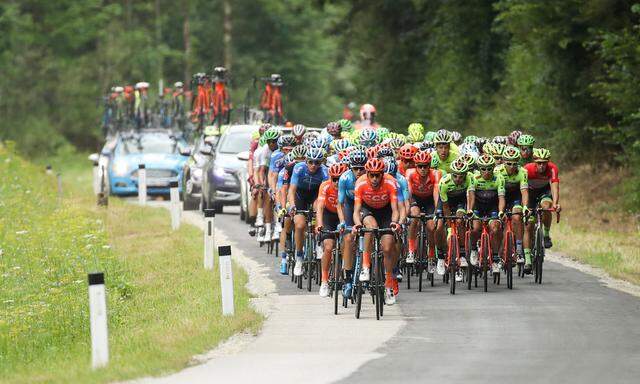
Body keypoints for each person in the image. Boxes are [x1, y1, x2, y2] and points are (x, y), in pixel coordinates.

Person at [352, 158, 401, 305]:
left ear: (382, 174)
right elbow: (356, 211)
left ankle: (388, 284)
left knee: (387, 247)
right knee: (371, 227)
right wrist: (358, 224)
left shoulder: (390, 182)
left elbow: (395, 210)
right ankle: (365, 266)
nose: (374, 178)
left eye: (377, 175)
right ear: (367, 173)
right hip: (368, 210)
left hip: (386, 212)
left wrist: (394, 223)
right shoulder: (360, 183)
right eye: (371, 175)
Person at [288, 147, 329, 276]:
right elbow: (292, 190)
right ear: (306, 161)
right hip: (300, 195)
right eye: (311, 162)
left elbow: (324, 193)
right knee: (300, 225)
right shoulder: (299, 168)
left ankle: (318, 242)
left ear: (321, 162)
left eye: (317, 162)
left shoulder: (324, 171)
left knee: (318, 210)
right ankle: (299, 257)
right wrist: (292, 205)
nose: (313, 165)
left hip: (315, 195)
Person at [523, 148, 561, 272]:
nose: (541, 165)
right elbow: (522, 188)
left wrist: (555, 204)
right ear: (534, 161)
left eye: (544, 162)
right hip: (530, 193)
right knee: (529, 225)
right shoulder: (527, 169)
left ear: (548, 162)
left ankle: (545, 234)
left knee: (546, 207)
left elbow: (554, 187)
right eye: (539, 162)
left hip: (544, 192)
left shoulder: (552, 168)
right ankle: (528, 260)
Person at [467, 154, 506, 273]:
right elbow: (471, 197)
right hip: (478, 206)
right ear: (479, 168)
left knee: (495, 228)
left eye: (489, 168)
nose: (486, 171)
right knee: (475, 228)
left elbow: (501, 198)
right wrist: (470, 210)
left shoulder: (499, 178)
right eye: (483, 168)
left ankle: (494, 258)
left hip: (492, 207)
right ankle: (473, 249)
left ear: (493, 168)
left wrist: (500, 212)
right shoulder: (473, 178)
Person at [337, 148, 367, 298]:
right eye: (356, 169)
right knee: (348, 239)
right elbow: (340, 203)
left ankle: (370, 267)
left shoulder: (371, 177)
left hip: (367, 206)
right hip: (350, 206)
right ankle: (347, 278)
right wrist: (342, 221)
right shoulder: (344, 179)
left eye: (362, 168)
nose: (359, 172)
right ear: (350, 168)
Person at [405, 151, 442, 274]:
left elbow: (436, 193)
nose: (422, 169)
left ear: (429, 165)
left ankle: (431, 255)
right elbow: (408, 193)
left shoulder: (436, 174)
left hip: (430, 200)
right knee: (414, 215)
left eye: (425, 166)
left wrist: (437, 211)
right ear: (415, 166)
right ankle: (411, 249)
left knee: (431, 227)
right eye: (419, 166)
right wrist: (409, 208)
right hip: (415, 199)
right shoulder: (410, 173)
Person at [437, 158, 473, 281]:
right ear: (451, 174)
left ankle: (462, 254)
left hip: (460, 201)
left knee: (460, 221)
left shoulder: (470, 179)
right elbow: (445, 206)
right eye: (455, 176)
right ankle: (441, 256)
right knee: (439, 226)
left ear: (465, 175)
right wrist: (449, 227)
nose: (458, 179)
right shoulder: (444, 182)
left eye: (461, 176)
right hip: (446, 202)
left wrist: (469, 210)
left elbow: (470, 196)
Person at [316, 163, 349, 297]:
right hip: (329, 215)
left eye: (339, 179)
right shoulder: (325, 186)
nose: (336, 182)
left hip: (344, 215)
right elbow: (319, 207)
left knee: (346, 245)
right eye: (334, 179)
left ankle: (346, 273)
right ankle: (324, 281)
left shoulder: (348, 185)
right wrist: (319, 225)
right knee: (328, 246)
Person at [495, 146, 529, 264]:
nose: (512, 166)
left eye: (515, 163)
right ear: (504, 161)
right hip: (500, 197)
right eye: (509, 163)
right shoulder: (497, 171)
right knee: (497, 225)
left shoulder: (523, 172)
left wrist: (525, 206)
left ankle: (519, 250)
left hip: (515, 197)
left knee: (517, 217)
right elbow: (498, 194)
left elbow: (524, 192)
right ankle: (497, 253)